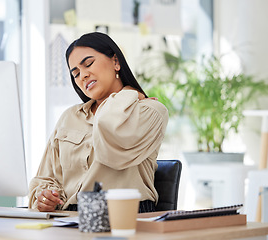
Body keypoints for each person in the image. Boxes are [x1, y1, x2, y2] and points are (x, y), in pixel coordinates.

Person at [28, 32, 168, 213]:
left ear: (116, 62)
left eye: (88, 64)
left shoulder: (150, 111)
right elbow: (44, 179)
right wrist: (45, 197)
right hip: (71, 218)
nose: (83, 76)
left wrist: (128, 93)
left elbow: (112, 146)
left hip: (127, 216)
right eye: (76, 73)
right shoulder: (69, 117)